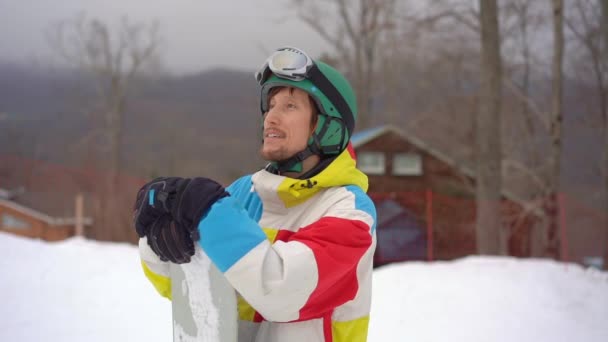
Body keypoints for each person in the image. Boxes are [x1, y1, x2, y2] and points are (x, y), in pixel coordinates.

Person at [134, 46, 377, 342]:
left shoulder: (350, 211)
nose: (270, 118)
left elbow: (281, 292)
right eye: (270, 105)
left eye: (289, 106)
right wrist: (159, 234)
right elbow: (180, 285)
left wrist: (208, 209)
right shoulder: (243, 193)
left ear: (327, 126)